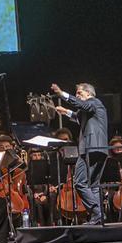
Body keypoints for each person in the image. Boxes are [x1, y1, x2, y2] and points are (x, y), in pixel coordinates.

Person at [50, 82, 108, 225]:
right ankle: (98, 217)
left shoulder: (94, 102)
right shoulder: (91, 109)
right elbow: (79, 116)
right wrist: (66, 112)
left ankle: (97, 213)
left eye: (79, 93)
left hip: (90, 148)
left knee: (79, 183)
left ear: (88, 93)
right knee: (93, 185)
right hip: (99, 149)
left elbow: (83, 106)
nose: (77, 96)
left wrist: (62, 93)